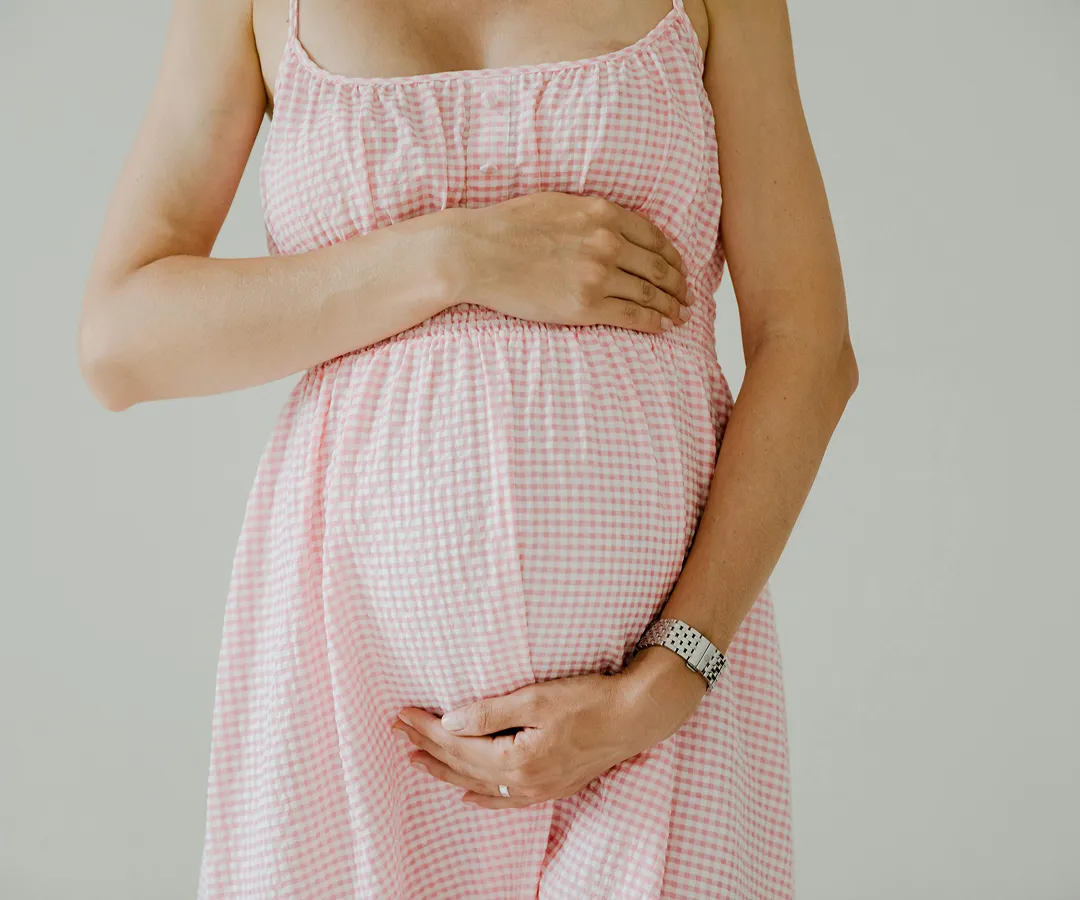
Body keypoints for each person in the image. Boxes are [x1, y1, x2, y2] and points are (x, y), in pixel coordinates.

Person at [77, 0, 857, 895]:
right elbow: (121, 341)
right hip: (357, 696)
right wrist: (457, 255)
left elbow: (810, 344)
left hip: (660, 709)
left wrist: (666, 682)